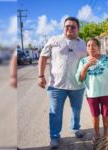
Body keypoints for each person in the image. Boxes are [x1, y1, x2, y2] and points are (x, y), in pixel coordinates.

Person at [38, 17, 87, 149]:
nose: (69, 28)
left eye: (73, 27)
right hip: (56, 85)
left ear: (78, 29)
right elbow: (43, 57)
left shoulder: (84, 44)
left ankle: (75, 127)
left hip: (77, 85)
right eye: (67, 26)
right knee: (55, 112)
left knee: (76, 109)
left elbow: (89, 62)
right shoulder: (54, 41)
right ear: (63, 27)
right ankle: (54, 136)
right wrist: (40, 75)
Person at [75, 37, 108, 145]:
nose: (91, 47)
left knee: (105, 114)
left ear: (99, 47)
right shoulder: (83, 61)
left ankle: (105, 134)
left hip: (106, 92)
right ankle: (97, 135)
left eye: (94, 45)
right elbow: (80, 78)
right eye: (89, 45)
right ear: (86, 48)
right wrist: (87, 65)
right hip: (92, 93)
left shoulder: (106, 59)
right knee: (95, 115)